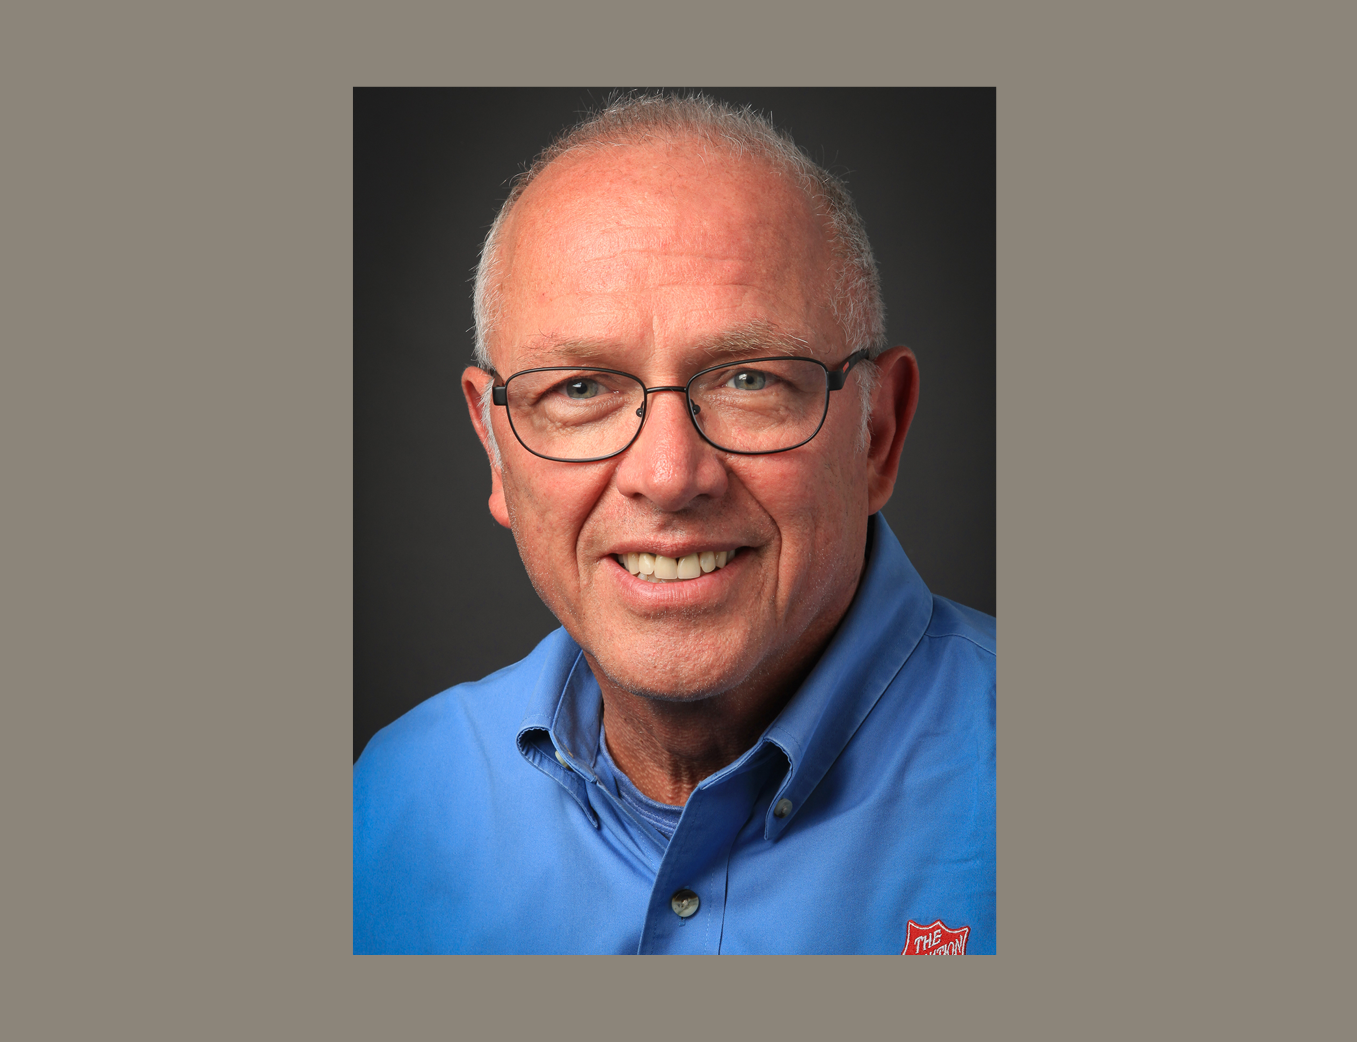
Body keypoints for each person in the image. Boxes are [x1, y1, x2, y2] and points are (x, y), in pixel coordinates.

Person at [353, 94, 995, 954]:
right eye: (579, 389)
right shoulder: (391, 798)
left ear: (877, 434)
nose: (667, 476)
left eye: (749, 381)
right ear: (495, 449)